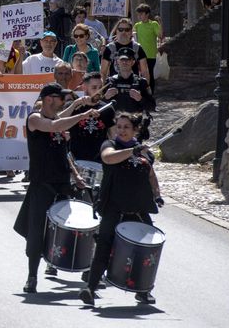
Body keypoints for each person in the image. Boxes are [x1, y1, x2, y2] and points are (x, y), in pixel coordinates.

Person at [13, 83, 96, 294]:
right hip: (42, 184)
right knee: (36, 231)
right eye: (60, 98)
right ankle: (32, 276)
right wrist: (82, 114)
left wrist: (75, 174)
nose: (63, 102)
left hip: (62, 183)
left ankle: (79, 267)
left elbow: (64, 152)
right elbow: (54, 125)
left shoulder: (55, 121)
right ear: (49, 98)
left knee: (71, 226)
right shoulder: (34, 119)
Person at [79, 112, 162, 306]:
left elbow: (151, 175)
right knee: (104, 246)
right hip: (114, 206)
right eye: (119, 126)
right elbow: (108, 159)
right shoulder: (110, 145)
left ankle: (143, 290)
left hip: (138, 208)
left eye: (126, 127)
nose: (122, 130)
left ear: (135, 130)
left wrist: (157, 194)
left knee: (147, 248)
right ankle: (90, 289)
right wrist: (132, 151)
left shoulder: (145, 153)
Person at [102, 47, 155, 139]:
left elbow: (152, 106)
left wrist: (140, 99)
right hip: (114, 128)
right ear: (117, 61)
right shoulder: (109, 82)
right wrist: (105, 97)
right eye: (122, 60)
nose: (124, 62)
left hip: (134, 128)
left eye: (128, 60)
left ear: (133, 62)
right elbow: (98, 107)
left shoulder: (141, 82)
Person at [64, 72, 115, 163]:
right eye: (94, 87)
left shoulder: (107, 109)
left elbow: (113, 136)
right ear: (84, 87)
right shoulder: (73, 106)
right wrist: (75, 103)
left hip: (98, 161)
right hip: (75, 160)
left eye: (100, 87)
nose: (98, 91)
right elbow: (57, 122)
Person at [133, 4, 163, 93]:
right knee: (138, 75)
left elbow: (160, 35)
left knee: (150, 75)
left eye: (141, 14)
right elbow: (133, 37)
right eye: (138, 14)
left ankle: (150, 94)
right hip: (138, 55)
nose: (139, 16)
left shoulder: (153, 24)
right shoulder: (137, 25)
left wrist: (160, 24)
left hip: (150, 55)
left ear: (147, 14)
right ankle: (140, 92)